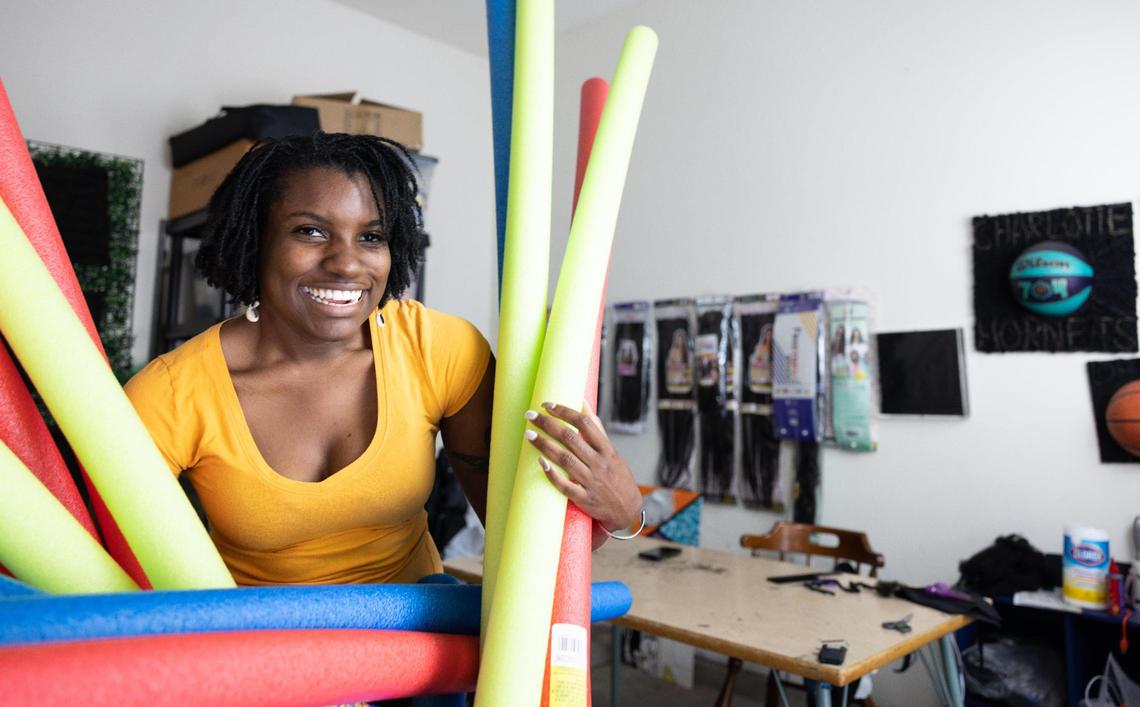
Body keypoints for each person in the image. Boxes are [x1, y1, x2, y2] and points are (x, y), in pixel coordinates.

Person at [125, 132, 642, 586]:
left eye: (371, 237)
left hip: (412, 656)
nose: (347, 262)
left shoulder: (438, 348)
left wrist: (619, 509)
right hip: (265, 659)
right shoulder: (171, 394)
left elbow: (525, 547)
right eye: (311, 231)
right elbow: (120, 576)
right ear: (255, 241)